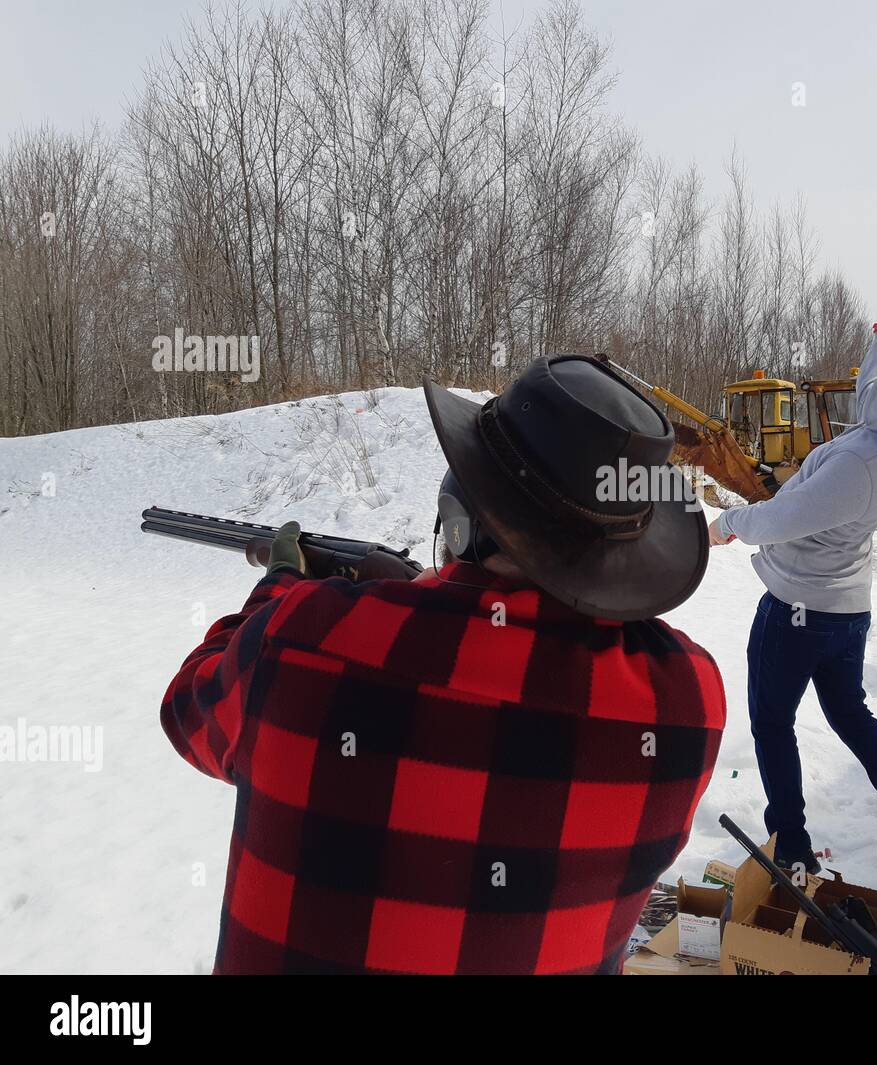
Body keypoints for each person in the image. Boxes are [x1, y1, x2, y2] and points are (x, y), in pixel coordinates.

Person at [160, 354, 725, 973]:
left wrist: (279, 588)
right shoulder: (688, 702)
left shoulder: (300, 635)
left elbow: (190, 711)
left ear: (458, 522)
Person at [708, 325, 877, 893]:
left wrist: (726, 525)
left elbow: (782, 516)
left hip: (798, 610)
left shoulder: (864, 466)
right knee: (850, 714)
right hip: (847, 612)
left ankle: (793, 852)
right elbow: (874, 382)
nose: (876, 386)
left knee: (773, 723)